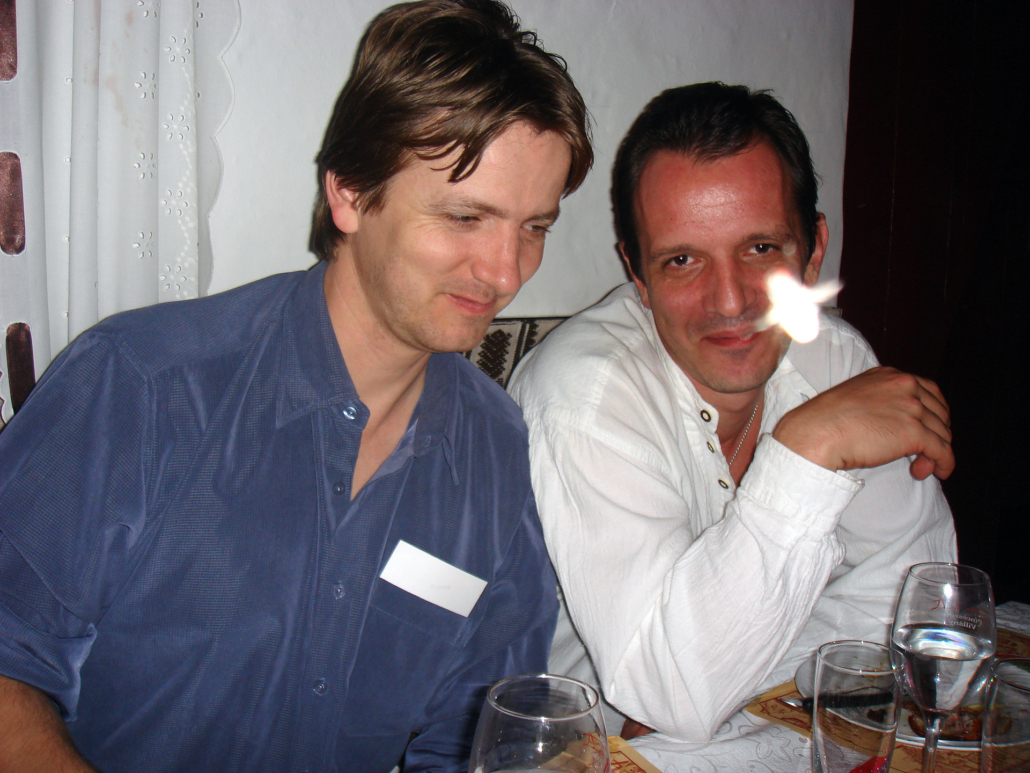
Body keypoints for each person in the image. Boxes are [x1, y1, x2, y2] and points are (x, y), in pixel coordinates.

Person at [0, 2, 592, 771]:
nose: (505, 272)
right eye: (464, 217)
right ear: (349, 193)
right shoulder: (141, 384)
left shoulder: (494, 449)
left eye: (535, 227)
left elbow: (482, 730)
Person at [508, 82, 956, 742]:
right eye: (682, 260)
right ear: (638, 275)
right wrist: (808, 450)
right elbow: (673, 692)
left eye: (761, 248)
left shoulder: (836, 363)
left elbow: (912, 602)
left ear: (813, 249)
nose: (729, 300)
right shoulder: (585, 394)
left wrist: (721, 683)